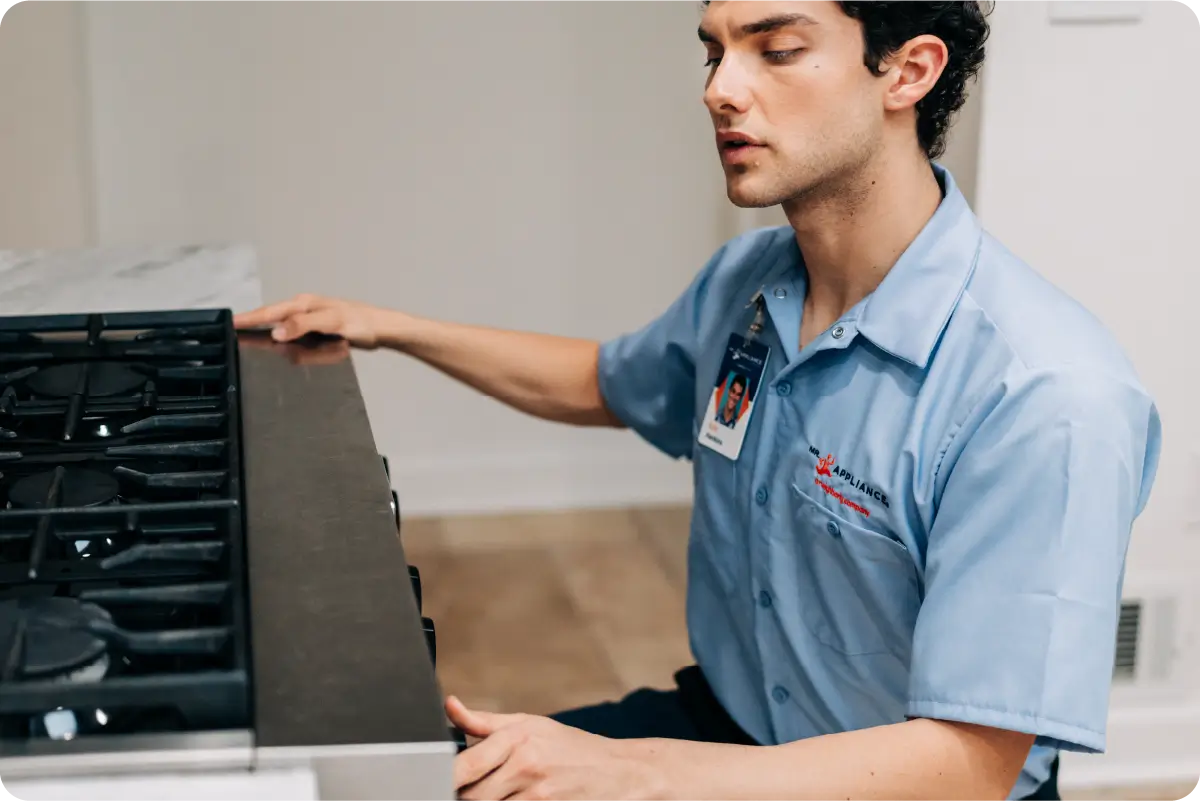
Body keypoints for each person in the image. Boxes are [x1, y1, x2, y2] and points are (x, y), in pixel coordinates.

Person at [234, 0, 1162, 798]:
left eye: (777, 49)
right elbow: (607, 379)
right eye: (714, 49)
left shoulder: (1045, 395)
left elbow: (969, 766)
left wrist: (633, 771)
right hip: (730, 731)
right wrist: (388, 325)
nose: (720, 87)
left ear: (909, 71)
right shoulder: (752, 285)